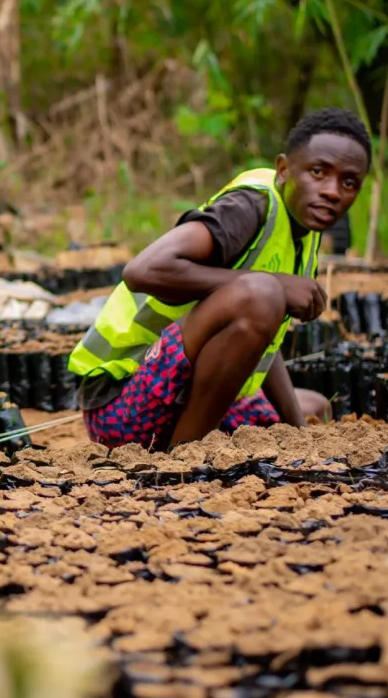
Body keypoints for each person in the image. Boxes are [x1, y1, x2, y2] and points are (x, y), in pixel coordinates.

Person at [69, 109, 372, 450]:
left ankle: (195, 440)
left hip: (179, 394)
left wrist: (300, 435)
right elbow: (142, 271)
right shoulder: (249, 207)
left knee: (313, 405)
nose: (332, 191)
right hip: (121, 405)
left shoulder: (306, 230)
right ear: (284, 170)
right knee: (262, 292)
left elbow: (260, 335)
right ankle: (185, 457)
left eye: (348, 183)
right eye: (318, 172)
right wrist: (274, 283)